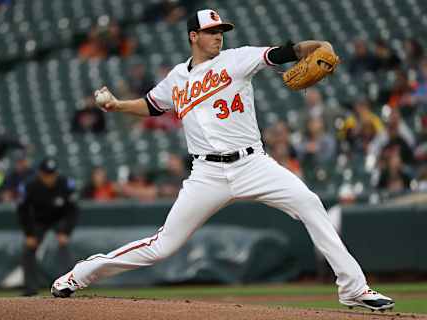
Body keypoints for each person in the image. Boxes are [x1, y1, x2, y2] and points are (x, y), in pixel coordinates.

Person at [51, 9, 394, 311]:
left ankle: (353, 288)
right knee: (162, 246)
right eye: (212, 32)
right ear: (193, 36)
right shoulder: (177, 78)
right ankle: (80, 274)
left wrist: (322, 47)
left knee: (309, 203)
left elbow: (290, 51)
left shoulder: (237, 58)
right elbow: (153, 104)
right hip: (206, 174)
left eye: (221, 32)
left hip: (252, 164)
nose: (218, 37)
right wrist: (119, 105)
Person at [18, 157, 79, 296]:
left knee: (65, 249)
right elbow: (22, 211)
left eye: (52, 174)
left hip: (60, 219)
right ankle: (30, 289)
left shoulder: (65, 184)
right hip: (39, 220)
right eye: (46, 175)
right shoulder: (30, 186)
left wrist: (66, 232)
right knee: (28, 250)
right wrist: (29, 234)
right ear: (40, 174)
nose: (50, 178)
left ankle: (68, 287)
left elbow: (73, 211)